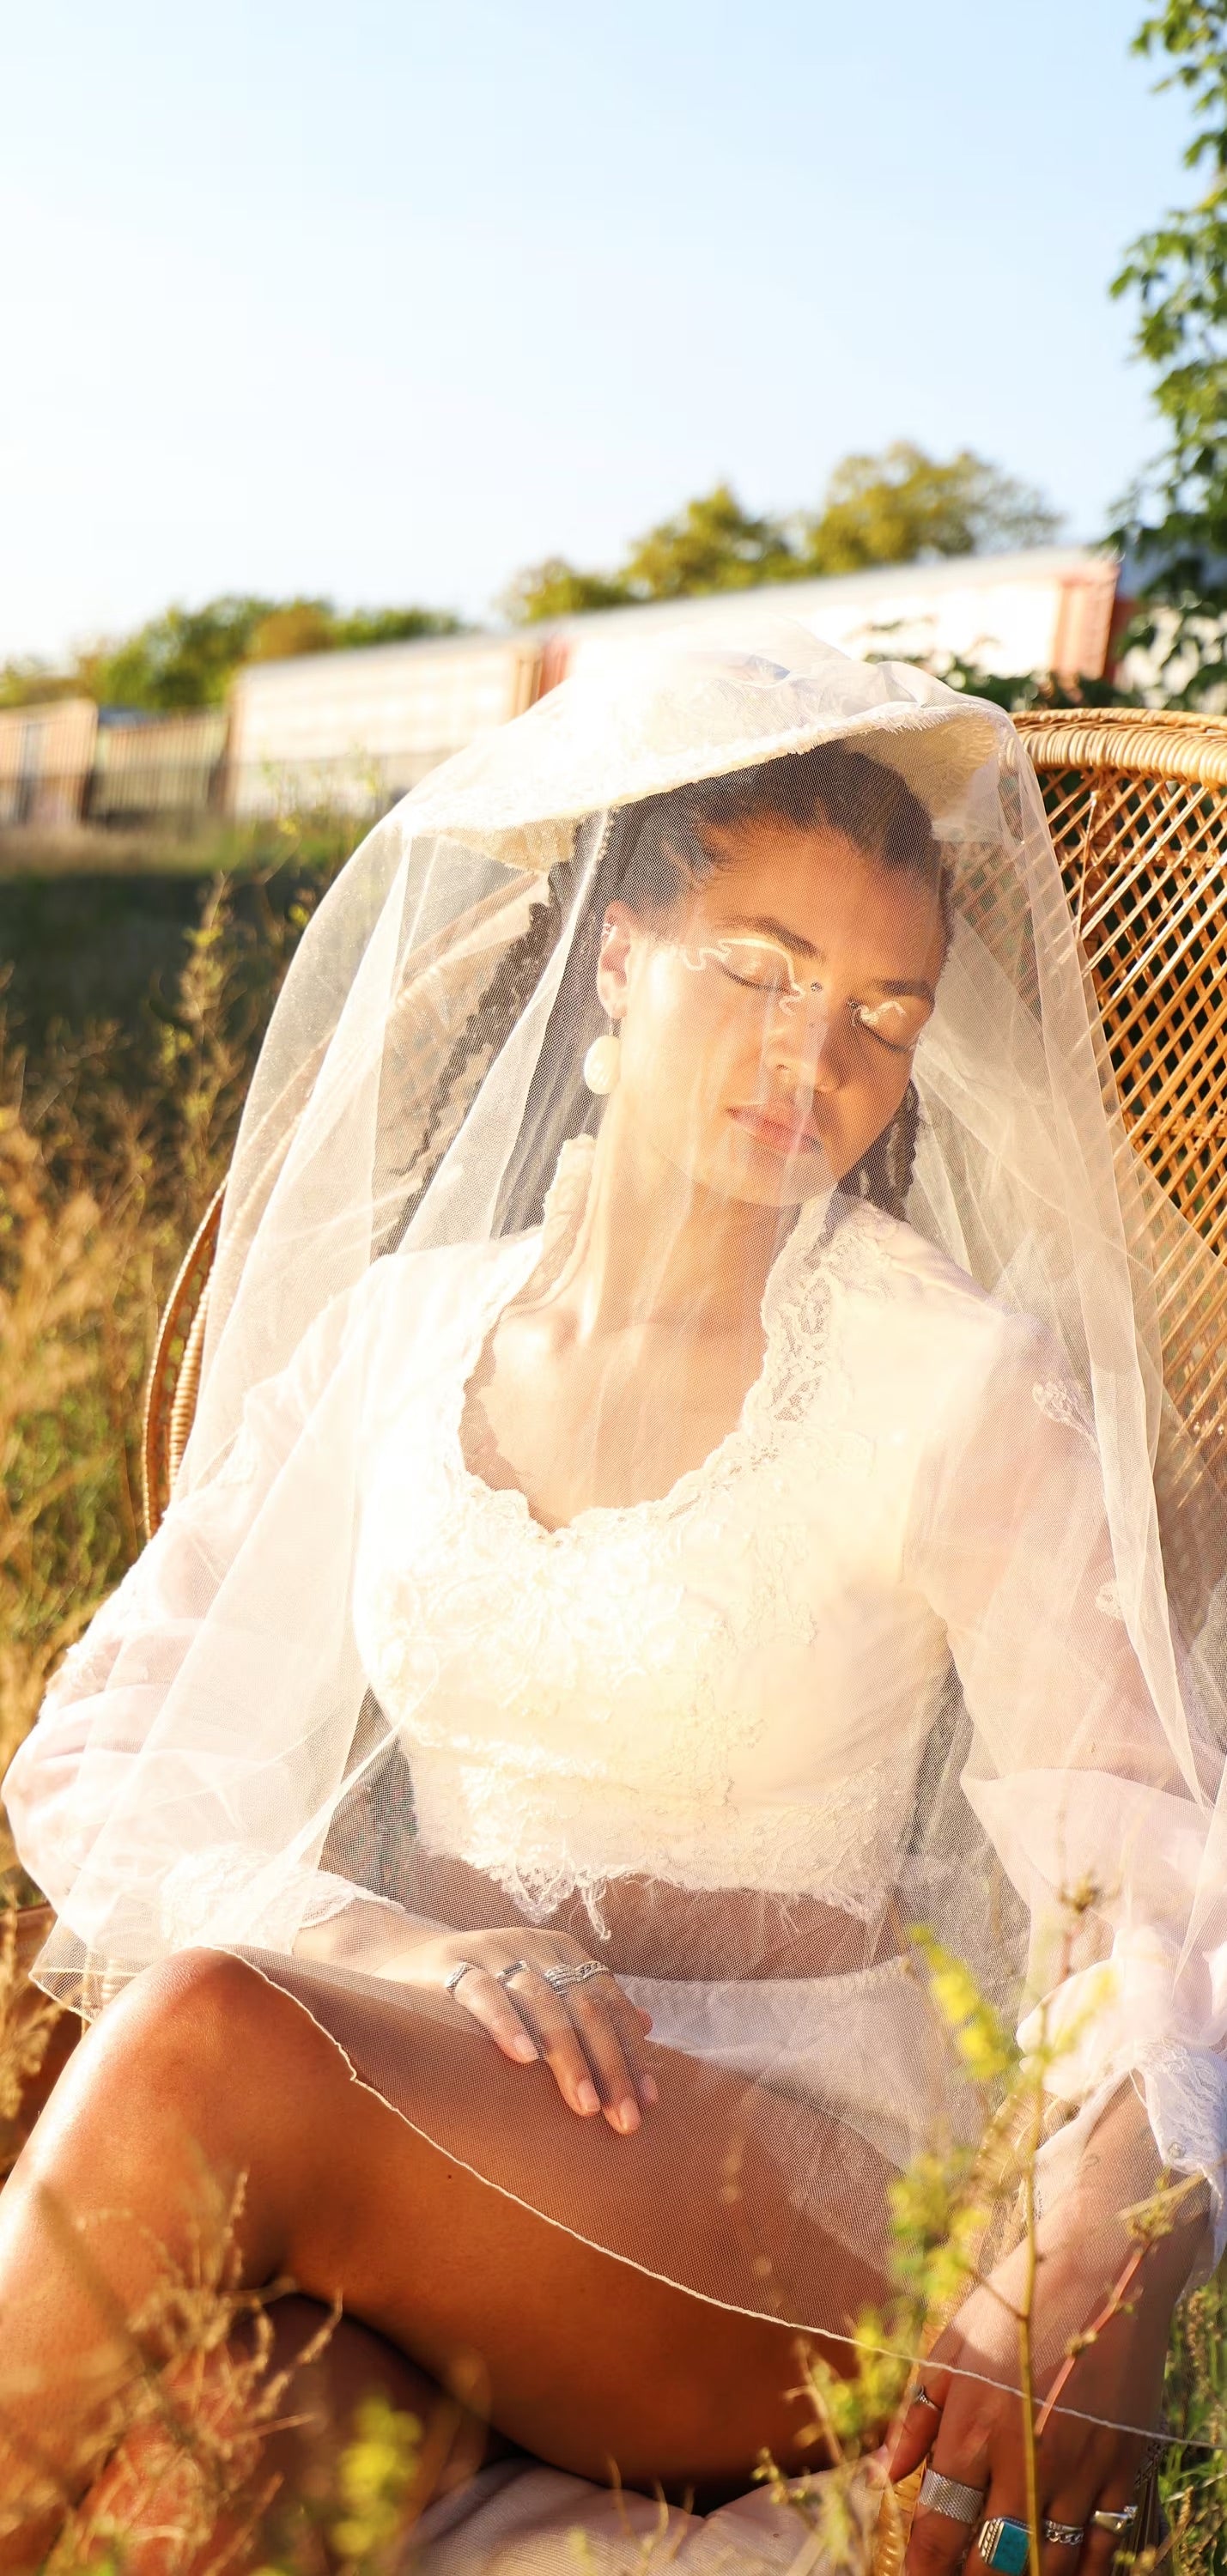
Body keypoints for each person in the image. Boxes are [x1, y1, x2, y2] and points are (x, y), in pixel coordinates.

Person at [3, 628, 1226, 2574]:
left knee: (210, 2037)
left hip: (783, 2187)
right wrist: (386, 1956)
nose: (814, 1060)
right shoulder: (391, 1343)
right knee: (193, 2471)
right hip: (430, 2148)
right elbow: (106, 1754)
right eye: (754, 970)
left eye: (882, 1014)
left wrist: (1120, 2216)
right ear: (618, 955)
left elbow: (1145, 1843)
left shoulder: (948, 1382)